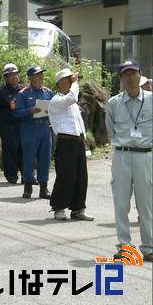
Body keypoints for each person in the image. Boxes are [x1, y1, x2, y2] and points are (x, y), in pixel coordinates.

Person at [105, 60, 152, 262]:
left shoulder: (151, 99)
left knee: (146, 203)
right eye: (126, 74)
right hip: (122, 155)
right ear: (121, 78)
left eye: (133, 73)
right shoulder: (114, 103)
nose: (130, 77)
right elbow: (110, 130)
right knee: (121, 203)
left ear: (140, 74)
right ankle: (124, 246)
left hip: (145, 156)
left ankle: (149, 247)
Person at [48, 68, 94, 221]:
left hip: (78, 142)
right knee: (65, 176)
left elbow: (78, 123)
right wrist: (75, 84)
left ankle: (78, 208)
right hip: (65, 142)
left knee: (81, 176)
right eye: (69, 79)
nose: (73, 82)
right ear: (61, 82)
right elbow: (72, 97)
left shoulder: (71, 101)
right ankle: (59, 208)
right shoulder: (57, 100)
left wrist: (84, 140)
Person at [13, 65, 54, 199]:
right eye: (37, 74)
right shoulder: (23, 93)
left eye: (41, 74)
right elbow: (16, 112)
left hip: (44, 127)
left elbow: (55, 108)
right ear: (31, 78)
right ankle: (28, 187)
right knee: (29, 158)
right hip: (29, 128)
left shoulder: (48, 92)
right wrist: (30, 111)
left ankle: (44, 188)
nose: (41, 76)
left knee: (45, 158)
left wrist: (50, 111)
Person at [0, 63, 24, 184]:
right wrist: (1, 128)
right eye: (10, 75)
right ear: (5, 78)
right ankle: (11, 176)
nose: (13, 77)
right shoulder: (1, 93)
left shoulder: (24, 90)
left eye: (15, 74)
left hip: (23, 125)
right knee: (9, 151)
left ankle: (27, 175)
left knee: (24, 150)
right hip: (8, 126)